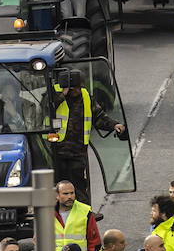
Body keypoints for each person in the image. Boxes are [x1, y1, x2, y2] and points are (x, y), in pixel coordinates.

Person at [51, 67, 126, 205]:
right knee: (56, 189)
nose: (79, 90)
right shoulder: (53, 94)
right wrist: (62, 94)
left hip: (77, 153)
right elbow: (42, 110)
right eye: (77, 87)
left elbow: (98, 116)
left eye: (80, 87)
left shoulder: (85, 97)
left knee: (79, 188)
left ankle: (85, 216)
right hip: (55, 153)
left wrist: (114, 125)